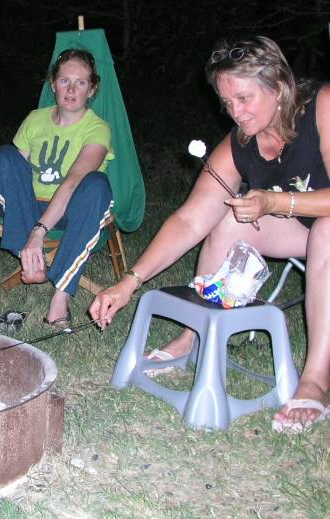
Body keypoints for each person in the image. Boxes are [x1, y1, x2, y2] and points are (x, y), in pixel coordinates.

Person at [89, 35, 330, 433]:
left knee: (327, 232)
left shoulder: (321, 106)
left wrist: (273, 203)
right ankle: (194, 336)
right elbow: (189, 220)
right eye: (227, 102)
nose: (236, 112)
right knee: (229, 219)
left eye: (245, 98)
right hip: (304, 229)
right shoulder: (240, 143)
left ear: (280, 86)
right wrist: (128, 283)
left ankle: (317, 380)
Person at [0, 49, 115, 327]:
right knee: (6, 156)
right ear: (53, 84)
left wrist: (39, 231)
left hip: (72, 210)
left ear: (91, 89)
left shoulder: (98, 128)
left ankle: (61, 295)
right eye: (64, 80)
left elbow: (73, 181)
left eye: (80, 82)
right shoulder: (35, 119)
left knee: (97, 184)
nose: (71, 89)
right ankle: (32, 260)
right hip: (28, 208)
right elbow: (14, 175)